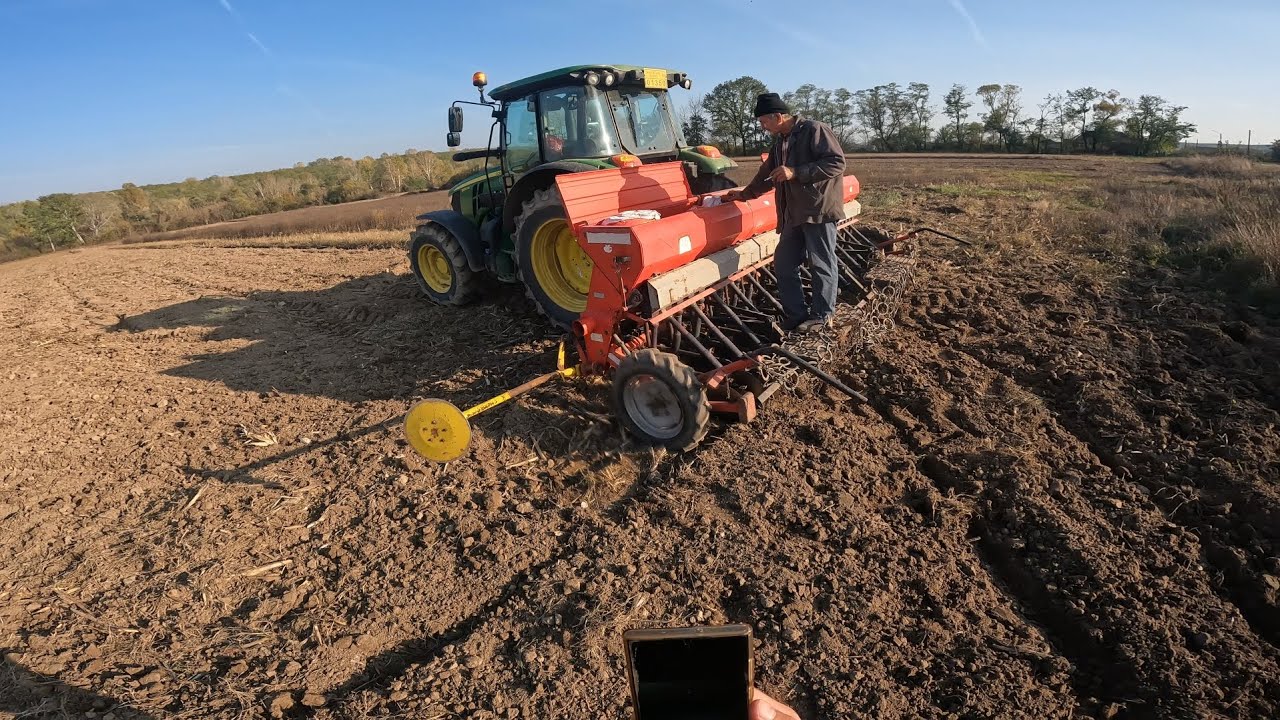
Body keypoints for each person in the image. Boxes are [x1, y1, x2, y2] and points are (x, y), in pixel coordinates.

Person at [724, 93, 847, 333]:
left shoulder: (814, 130)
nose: (762, 127)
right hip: (793, 214)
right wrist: (743, 195)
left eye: (763, 122)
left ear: (778, 116)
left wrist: (796, 172)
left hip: (818, 210)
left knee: (821, 263)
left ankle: (822, 316)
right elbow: (766, 175)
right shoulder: (780, 143)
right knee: (783, 263)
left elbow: (836, 162)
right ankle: (796, 316)